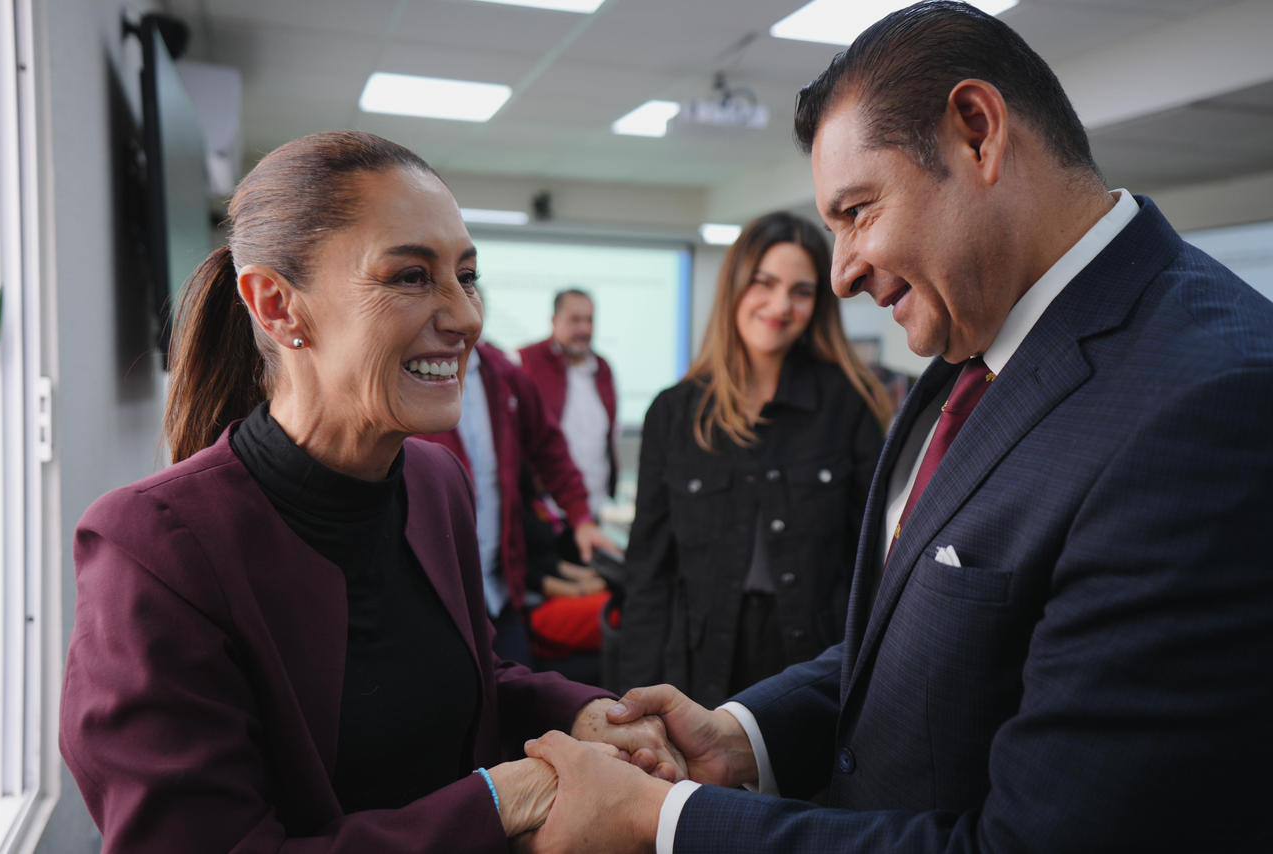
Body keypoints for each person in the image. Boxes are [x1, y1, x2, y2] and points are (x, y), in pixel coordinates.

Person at [513, 3, 1273, 852]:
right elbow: (911, 648)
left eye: (858, 211)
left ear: (977, 134)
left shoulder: (1210, 402)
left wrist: (664, 820)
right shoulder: (967, 347)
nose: (840, 276)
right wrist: (744, 737)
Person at [57, 131, 681, 852]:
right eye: (411, 277)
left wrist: (582, 714)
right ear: (276, 306)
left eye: (466, 276)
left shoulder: (436, 482)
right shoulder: (151, 548)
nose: (466, 316)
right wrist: (499, 801)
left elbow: (467, 680)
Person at [618, 211, 892, 709]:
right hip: (698, 667)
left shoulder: (848, 407)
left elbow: (872, 567)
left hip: (813, 669)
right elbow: (648, 576)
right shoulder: (675, 413)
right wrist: (630, 704)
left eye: (801, 291)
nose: (780, 306)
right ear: (735, 286)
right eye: (764, 283)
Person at [421, 336, 616, 666]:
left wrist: (581, 517)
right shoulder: (410, 375)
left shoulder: (503, 374)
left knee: (514, 686)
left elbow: (549, 447)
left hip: (499, 592)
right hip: (435, 596)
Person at [518, 289, 619, 517]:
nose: (584, 329)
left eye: (589, 320)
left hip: (594, 506)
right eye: (575, 320)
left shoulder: (602, 369)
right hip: (544, 510)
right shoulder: (528, 361)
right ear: (554, 321)